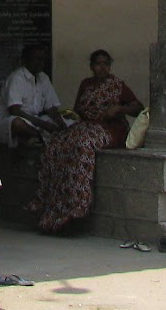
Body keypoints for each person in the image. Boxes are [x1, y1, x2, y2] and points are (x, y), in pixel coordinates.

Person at [34, 49, 143, 234]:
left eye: (106, 64)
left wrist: (119, 109)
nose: (102, 68)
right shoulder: (86, 84)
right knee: (56, 143)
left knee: (82, 144)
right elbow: (79, 111)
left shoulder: (117, 85)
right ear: (92, 67)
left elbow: (137, 107)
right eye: (98, 64)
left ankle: (77, 206)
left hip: (110, 129)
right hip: (86, 125)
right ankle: (52, 208)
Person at [0, 44, 63, 145]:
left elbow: (51, 108)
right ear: (25, 60)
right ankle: (39, 137)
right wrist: (43, 125)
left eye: (42, 59)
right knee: (17, 123)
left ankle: (38, 138)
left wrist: (62, 124)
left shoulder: (43, 78)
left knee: (68, 121)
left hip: (34, 121)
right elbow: (15, 111)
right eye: (36, 59)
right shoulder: (17, 78)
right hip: (6, 122)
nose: (40, 63)